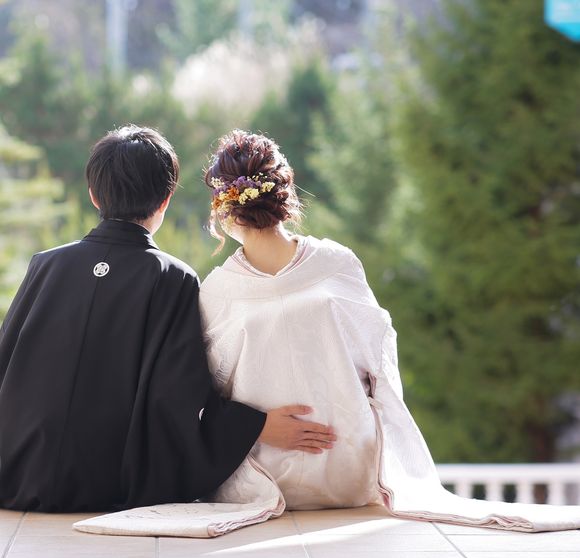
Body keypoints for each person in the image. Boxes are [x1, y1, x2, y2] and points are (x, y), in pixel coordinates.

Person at [195, 130, 580, 532]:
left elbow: (376, 360)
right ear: (285, 190)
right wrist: (260, 427)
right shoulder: (222, 289)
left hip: (346, 469)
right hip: (266, 476)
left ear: (223, 208)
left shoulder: (333, 264)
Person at [0, 125, 335, 513]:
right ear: (166, 199)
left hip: (17, 474)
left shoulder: (45, 265)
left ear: (93, 194)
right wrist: (254, 426)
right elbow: (178, 393)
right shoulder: (171, 277)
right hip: (108, 483)